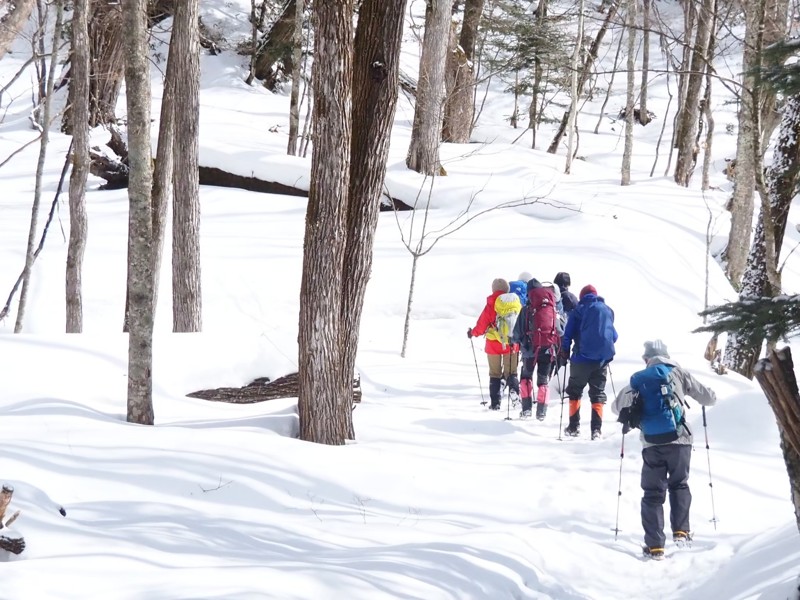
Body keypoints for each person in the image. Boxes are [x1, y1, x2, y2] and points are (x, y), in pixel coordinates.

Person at [611, 340, 717, 561]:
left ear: (646, 359)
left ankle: (655, 546)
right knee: (679, 484)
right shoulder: (679, 373)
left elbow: (616, 407)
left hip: (652, 444)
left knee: (652, 493)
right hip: (680, 441)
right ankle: (681, 532)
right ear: (667, 356)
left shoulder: (640, 379)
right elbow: (708, 398)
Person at [558, 284, 617, 439]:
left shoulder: (578, 311)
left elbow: (567, 335)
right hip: (601, 361)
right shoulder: (606, 311)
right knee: (597, 394)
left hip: (581, 359)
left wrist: (564, 351)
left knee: (575, 391)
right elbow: (614, 336)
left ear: (582, 296)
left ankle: (573, 427)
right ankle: (596, 430)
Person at [468, 278, 520, 410]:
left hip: (493, 344)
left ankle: (495, 403)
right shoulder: (515, 302)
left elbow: (481, 325)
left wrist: (472, 333)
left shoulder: (491, 303)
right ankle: (514, 391)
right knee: (512, 372)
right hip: (511, 342)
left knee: (495, 374)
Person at [511, 279, 559, 419]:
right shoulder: (550, 307)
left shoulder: (526, 309)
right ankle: (542, 411)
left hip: (529, 349)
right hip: (547, 348)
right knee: (543, 380)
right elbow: (560, 330)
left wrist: (513, 341)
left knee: (526, 377)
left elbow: (517, 333)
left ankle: (526, 409)